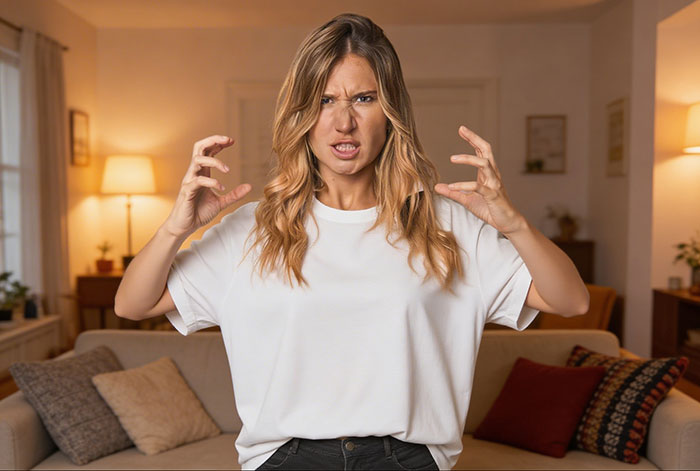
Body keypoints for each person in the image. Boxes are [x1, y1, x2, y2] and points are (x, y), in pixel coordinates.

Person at [114, 13, 589, 471]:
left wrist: (515, 226)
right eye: (323, 100)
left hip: (408, 460)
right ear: (300, 115)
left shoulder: (445, 224)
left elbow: (570, 301)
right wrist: (176, 228)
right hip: (283, 460)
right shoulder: (251, 229)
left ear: (390, 113)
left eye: (363, 99)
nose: (343, 123)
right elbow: (132, 305)